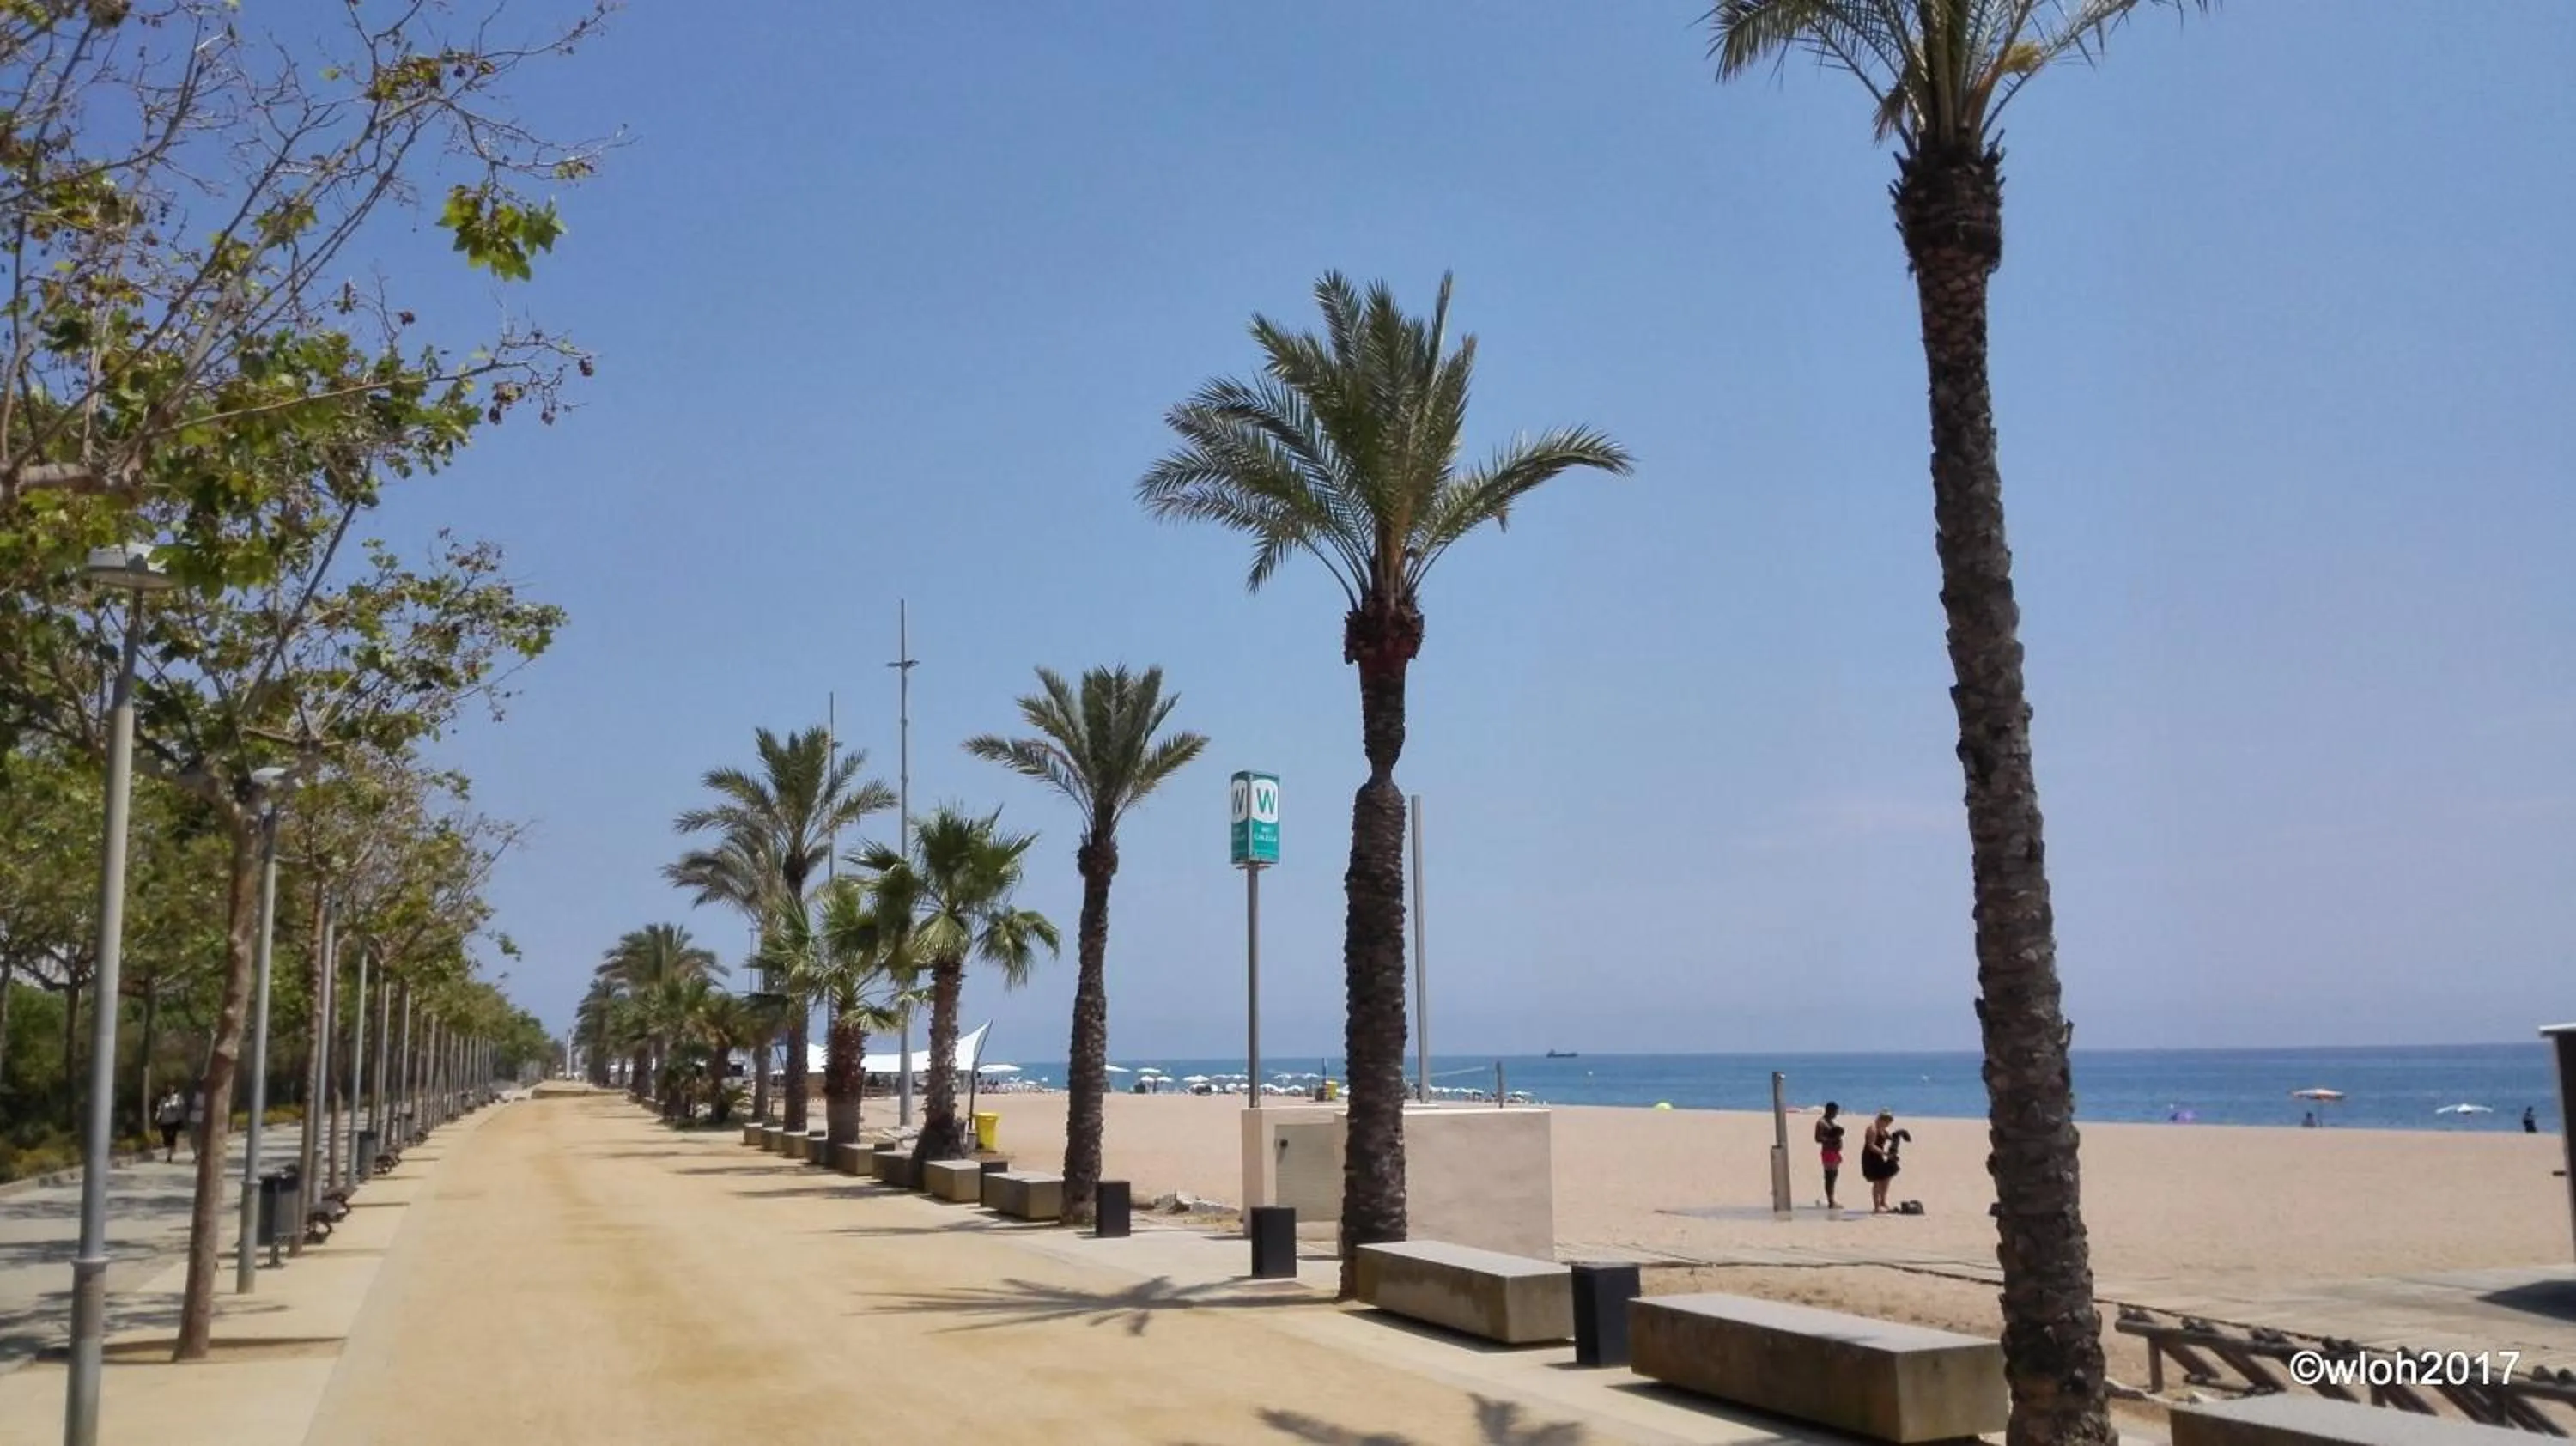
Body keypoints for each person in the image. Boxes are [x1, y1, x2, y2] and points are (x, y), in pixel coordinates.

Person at [1861, 1109, 1900, 1213]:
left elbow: (1889, 1138)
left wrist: (1896, 1138)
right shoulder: (1872, 1129)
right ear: (1881, 1119)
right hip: (1870, 1157)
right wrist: (1885, 1154)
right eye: (1887, 1122)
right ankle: (1876, 1206)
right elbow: (1871, 1145)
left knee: (1886, 1178)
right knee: (1877, 1181)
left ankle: (1883, 1201)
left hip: (1879, 1157)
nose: (1888, 1125)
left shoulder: (1883, 1129)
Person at [1814, 1102, 1845, 1210]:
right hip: (1828, 1152)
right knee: (1829, 1176)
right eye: (1835, 1112)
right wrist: (1831, 1139)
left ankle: (1832, 1199)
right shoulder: (1821, 1123)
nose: (1836, 1114)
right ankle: (1831, 1201)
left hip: (1834, 1152)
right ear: (1829, 1110)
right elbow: (1817, 1138)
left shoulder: (1830, 1122)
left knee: (1834, 1175)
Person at [154, 1089, 187, 1162]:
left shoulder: (176, 1099)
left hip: (173, 1122)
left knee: (172, 1138)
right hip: (164, 1122)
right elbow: (159, 1110)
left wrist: (181, 1118)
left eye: (171, 1092)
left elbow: (181, 1108)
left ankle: (169, 1156)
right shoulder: (163, 1100)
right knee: (166, 1139)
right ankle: (169, 1153)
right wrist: (157, 1118)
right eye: (168, 1092)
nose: (170, 1093)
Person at [185, 1086, 207, 1162]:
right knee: (194, 1139)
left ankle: (201, 1154)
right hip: (193, 1118)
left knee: (203, 1138)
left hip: (203, 1119)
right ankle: (196, 1155)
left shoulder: (208, 1094)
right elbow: (188, 1106)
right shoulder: (192, 1095)